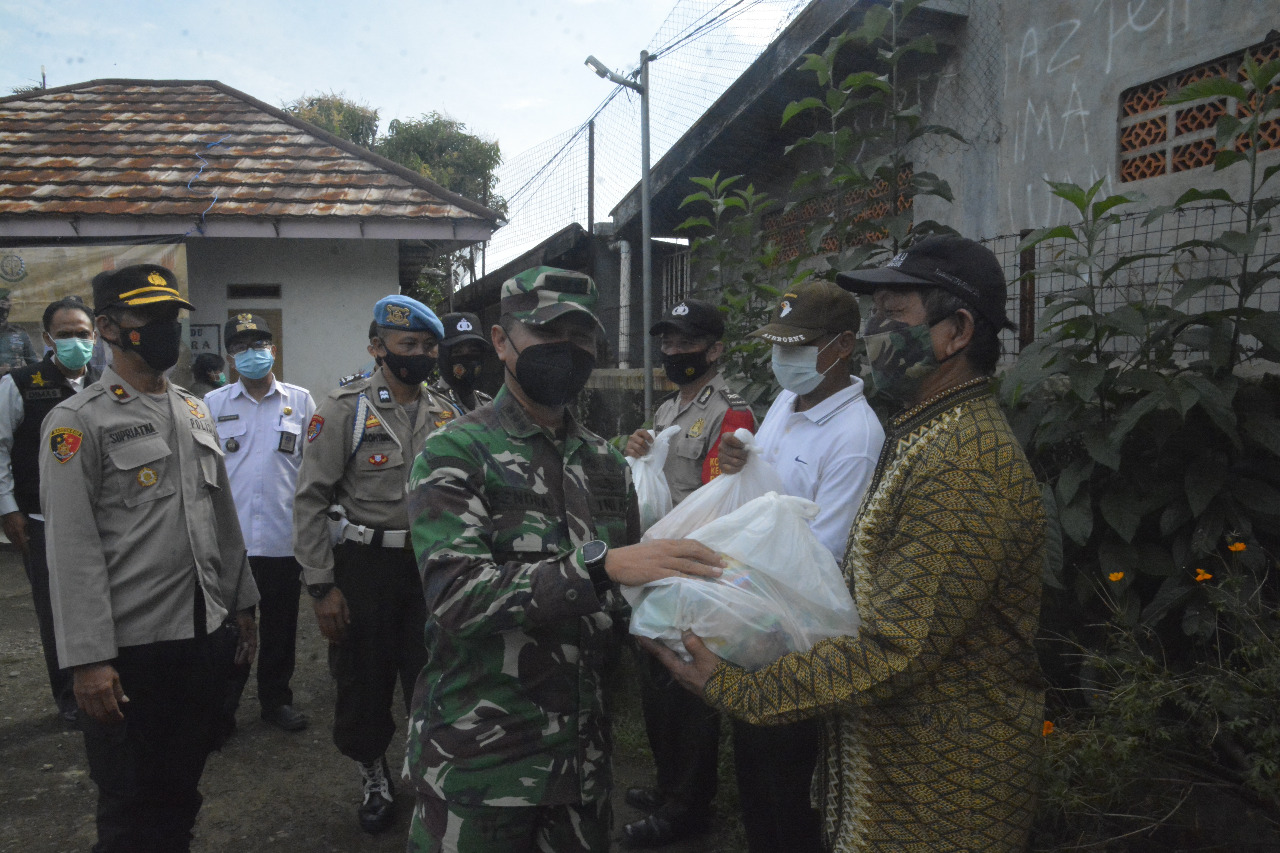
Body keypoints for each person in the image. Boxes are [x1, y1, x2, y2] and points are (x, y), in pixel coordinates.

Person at [645, 235, 1047, 853]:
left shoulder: (963, 462)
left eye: (893, 314)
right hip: (896, 779)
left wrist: (742, 689)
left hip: (942, 794)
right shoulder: (927, 436)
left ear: (957, 331)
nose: (873, 332)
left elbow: (896, 648)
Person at [403, 266, 727, 853]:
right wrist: (598, 567)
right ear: (502, 342)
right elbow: (456, 596)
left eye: (580, 338)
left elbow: (630, 599)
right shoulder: (455, 452)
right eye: (547, 333)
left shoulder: (604, 462)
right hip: (481, 763)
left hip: (581, 767)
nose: (566, 351)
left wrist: (703, 635)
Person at [39, 264, 259, 853]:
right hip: (130, 652)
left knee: (181, 790)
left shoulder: (193, 410)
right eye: (150, 318)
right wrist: (87, 662)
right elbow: (70, 547)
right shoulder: (77, 422)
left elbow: (223, 518)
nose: (167, 329)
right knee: (129, 805)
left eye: (172, 317)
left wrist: (243, 603)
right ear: (108, 328)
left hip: (199, 636)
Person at [712, 278, 884, 853]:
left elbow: (823, 553)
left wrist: (732, 589)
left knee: (791, 781)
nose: (784, 359)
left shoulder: (856, 437)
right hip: (751, 610)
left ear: (842, 346)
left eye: (798, 346)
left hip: (795, 627)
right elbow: (763, 481)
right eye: (779, 345)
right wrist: (741, 452)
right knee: (753, 769)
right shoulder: (789, 400)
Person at [293, 294, 458, 834]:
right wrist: (321, 586)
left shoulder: (446, 412)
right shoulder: (343, 409)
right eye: (408, 344)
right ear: (377, 347)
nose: (420, 354)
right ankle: (374, 775)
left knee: (431, 675)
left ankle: (430, 773)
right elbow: (311, 500)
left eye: (429, 346)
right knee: (363, 682)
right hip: (364, 567)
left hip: (429, 567)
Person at [619, 297, 756, 847]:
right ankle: (668, 784)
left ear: (715, 349)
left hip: (698, 567)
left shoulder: (732, 410)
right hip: (661, 559)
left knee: (689, 688)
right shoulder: (669, 408)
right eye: (668, 342)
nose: (675, 352)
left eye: (686, 342)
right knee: (658, 680)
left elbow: (725, 496)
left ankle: (689, 808)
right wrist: (638, 448)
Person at [204, 314, 317, 734]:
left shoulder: (301, 402)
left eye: (260, 344)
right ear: (231, 359)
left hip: (282, 539)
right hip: (233, 544)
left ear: (274, 349)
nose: (252, 353)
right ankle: (224, 708)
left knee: (281, 628)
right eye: (242, 347)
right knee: (231, 629)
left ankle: (276, 700)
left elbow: (313, 469)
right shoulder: (212, 405)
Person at [0, 295, 100, 723]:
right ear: (46, 339)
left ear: (95, 338)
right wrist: (9, 510)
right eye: (65, 336)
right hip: (40, 518)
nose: (75, 342)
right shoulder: (20, 384)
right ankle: (69, 697)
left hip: (99, 518)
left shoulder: (105, 383)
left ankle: (107, 679)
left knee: (101, 601)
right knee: (54, 606)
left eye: (83, 335)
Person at [432, 311, 493, 414]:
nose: (467, 358)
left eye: (474, 351)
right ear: (441, 355)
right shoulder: (429, 403)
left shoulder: (487, 404)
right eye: (457, 352)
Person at [0, 287, 38, 376]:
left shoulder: (19, 333)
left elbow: (33, 364)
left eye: (4, 302)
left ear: (9, 306)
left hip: (15, 384)